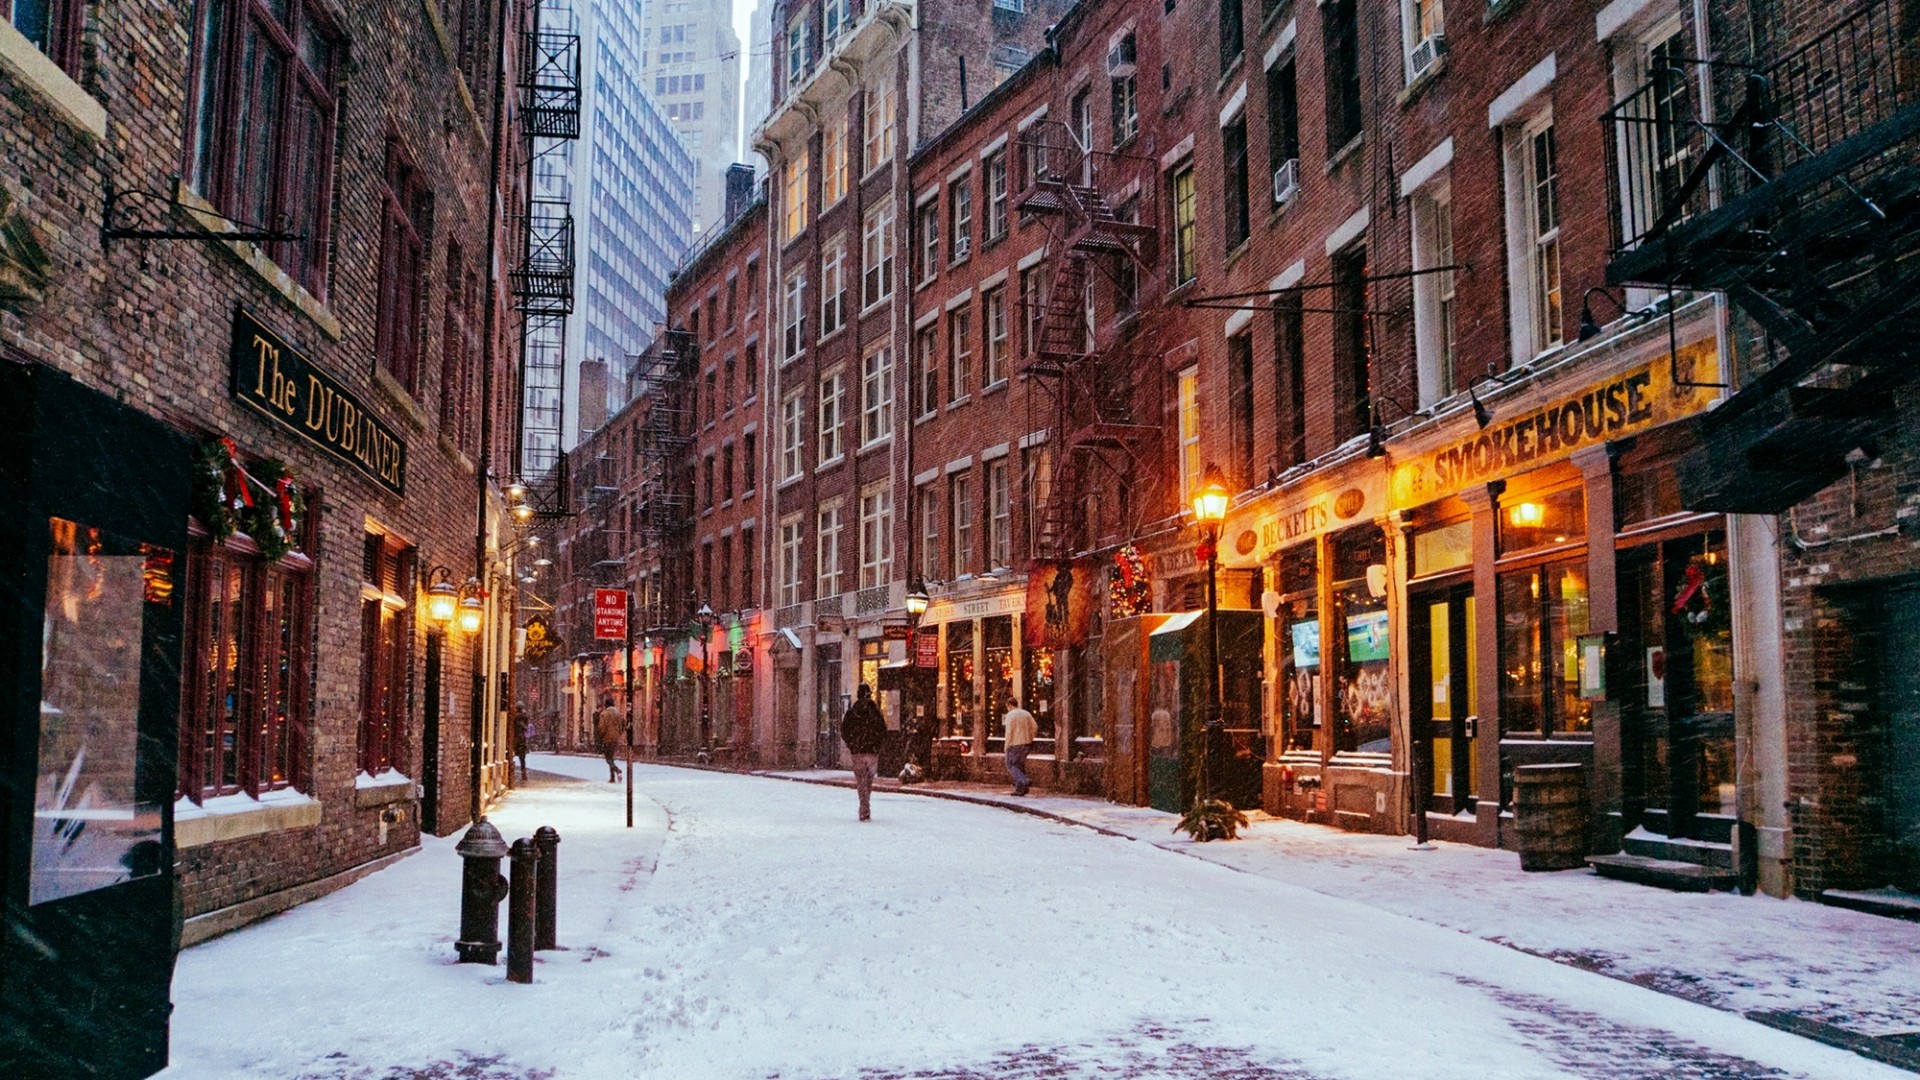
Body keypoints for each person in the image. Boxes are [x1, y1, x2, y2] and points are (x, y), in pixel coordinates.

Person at [840, 684, 887, 822]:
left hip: (858, 752)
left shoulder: (852, 712)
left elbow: (844, 731)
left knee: (861, 781)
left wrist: (852, 745)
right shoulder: (876, 712)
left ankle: (864, 806)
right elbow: (883, 731)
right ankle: (865, 806)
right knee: (868, 781)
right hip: (872, 752)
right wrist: (877, 746)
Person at [1002, 696, 1037, 796]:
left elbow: (1009, 732)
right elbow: (1035, 727)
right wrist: (1030, 738)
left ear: (1009, 705)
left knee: (1011, 765)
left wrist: (1006, 745)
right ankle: (1020, 789)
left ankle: (1024, 780)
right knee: (1019, 766)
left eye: (1007, 707)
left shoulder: (1010, 715)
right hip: (1026, 744)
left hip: (1015, 744)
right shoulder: (1026, 713)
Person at [595, 697, 624, 782]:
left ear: (606, 705)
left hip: (607, 738)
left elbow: (602, 727)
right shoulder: (618, 714)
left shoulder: (604, 714)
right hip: (616, 738)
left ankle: (616, 770)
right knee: (611, 757)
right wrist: (619, 733)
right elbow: (623, 725)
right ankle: (612, 777)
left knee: (608, 758)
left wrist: (601, 734)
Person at [512, 708, 531, 781]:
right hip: (521, 741)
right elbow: (525, 728)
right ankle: (523, 773)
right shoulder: (524, 718)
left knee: (511, 756)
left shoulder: (515, 718)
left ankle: (511, 772)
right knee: (522, 758)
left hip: (516, 740)